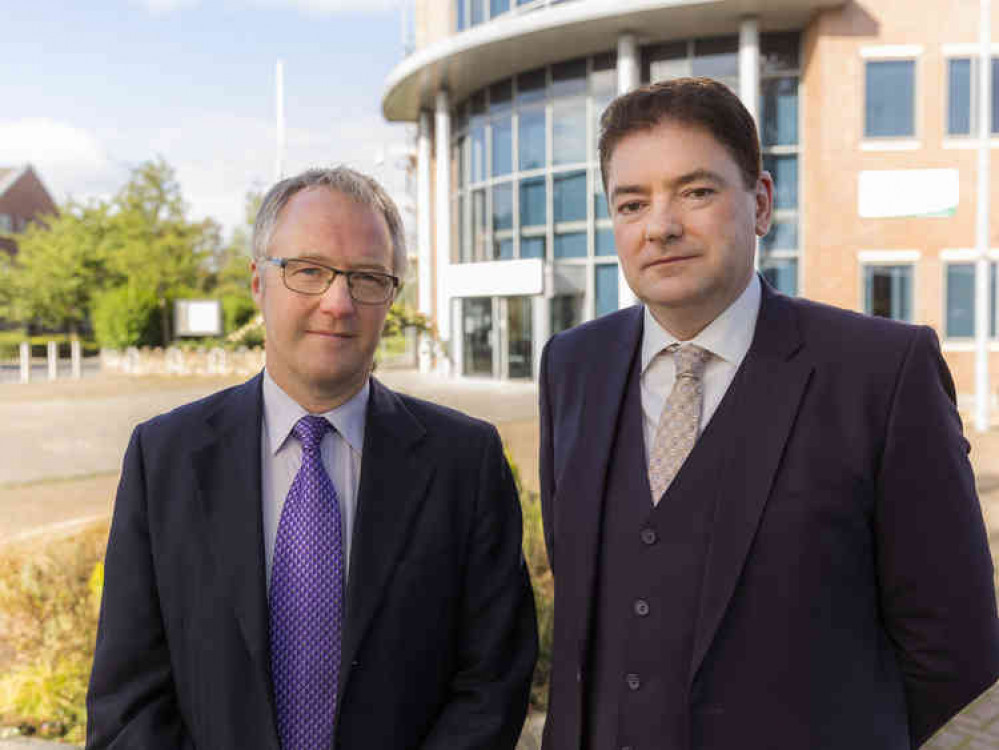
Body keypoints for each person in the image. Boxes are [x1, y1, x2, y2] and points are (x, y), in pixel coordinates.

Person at [538, 77, 999, 750]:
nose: (660, 226)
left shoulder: (880, 372)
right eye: (631, 202)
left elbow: (956, 648)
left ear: (758, 203)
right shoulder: (570, 365)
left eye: (695, 192)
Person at [87, 166, 537, 749]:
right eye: (309, 271)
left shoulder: (465, 463)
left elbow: (492, 685)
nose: (338, 303)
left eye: (368, 278)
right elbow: (128, 701)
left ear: (391, 295)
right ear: (257, 282)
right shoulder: (164, 459)